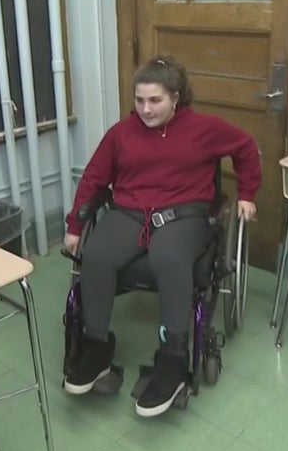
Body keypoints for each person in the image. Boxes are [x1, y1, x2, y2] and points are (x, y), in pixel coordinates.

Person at [62, 55, 261, 417]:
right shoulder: (121, 133)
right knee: (97, 255)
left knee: (168, 259)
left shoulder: (204, 129)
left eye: (155, 101)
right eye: (139, 100)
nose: (145, 109)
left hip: (184, 215)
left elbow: (245, 148)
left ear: (175, 97)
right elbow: (93, 178)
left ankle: (172, 359)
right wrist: (76, 226)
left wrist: (247, 192)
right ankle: (96, 347)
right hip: (130, 211)